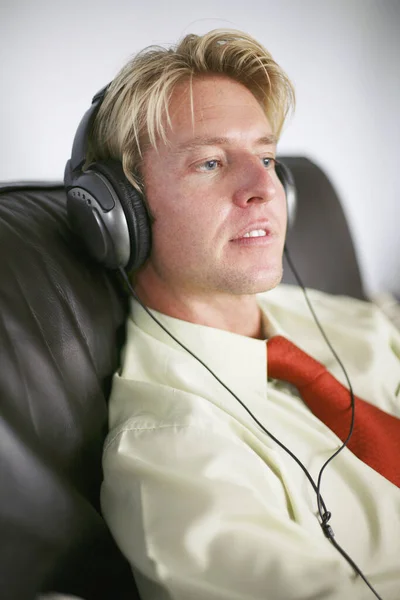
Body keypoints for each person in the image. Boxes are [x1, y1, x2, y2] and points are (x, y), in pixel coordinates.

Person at [85, 30, 400, 599]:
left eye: (265, 156)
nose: (264, 187)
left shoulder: (350, 318)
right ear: (119, 214)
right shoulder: (173, 455)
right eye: (209, 162)